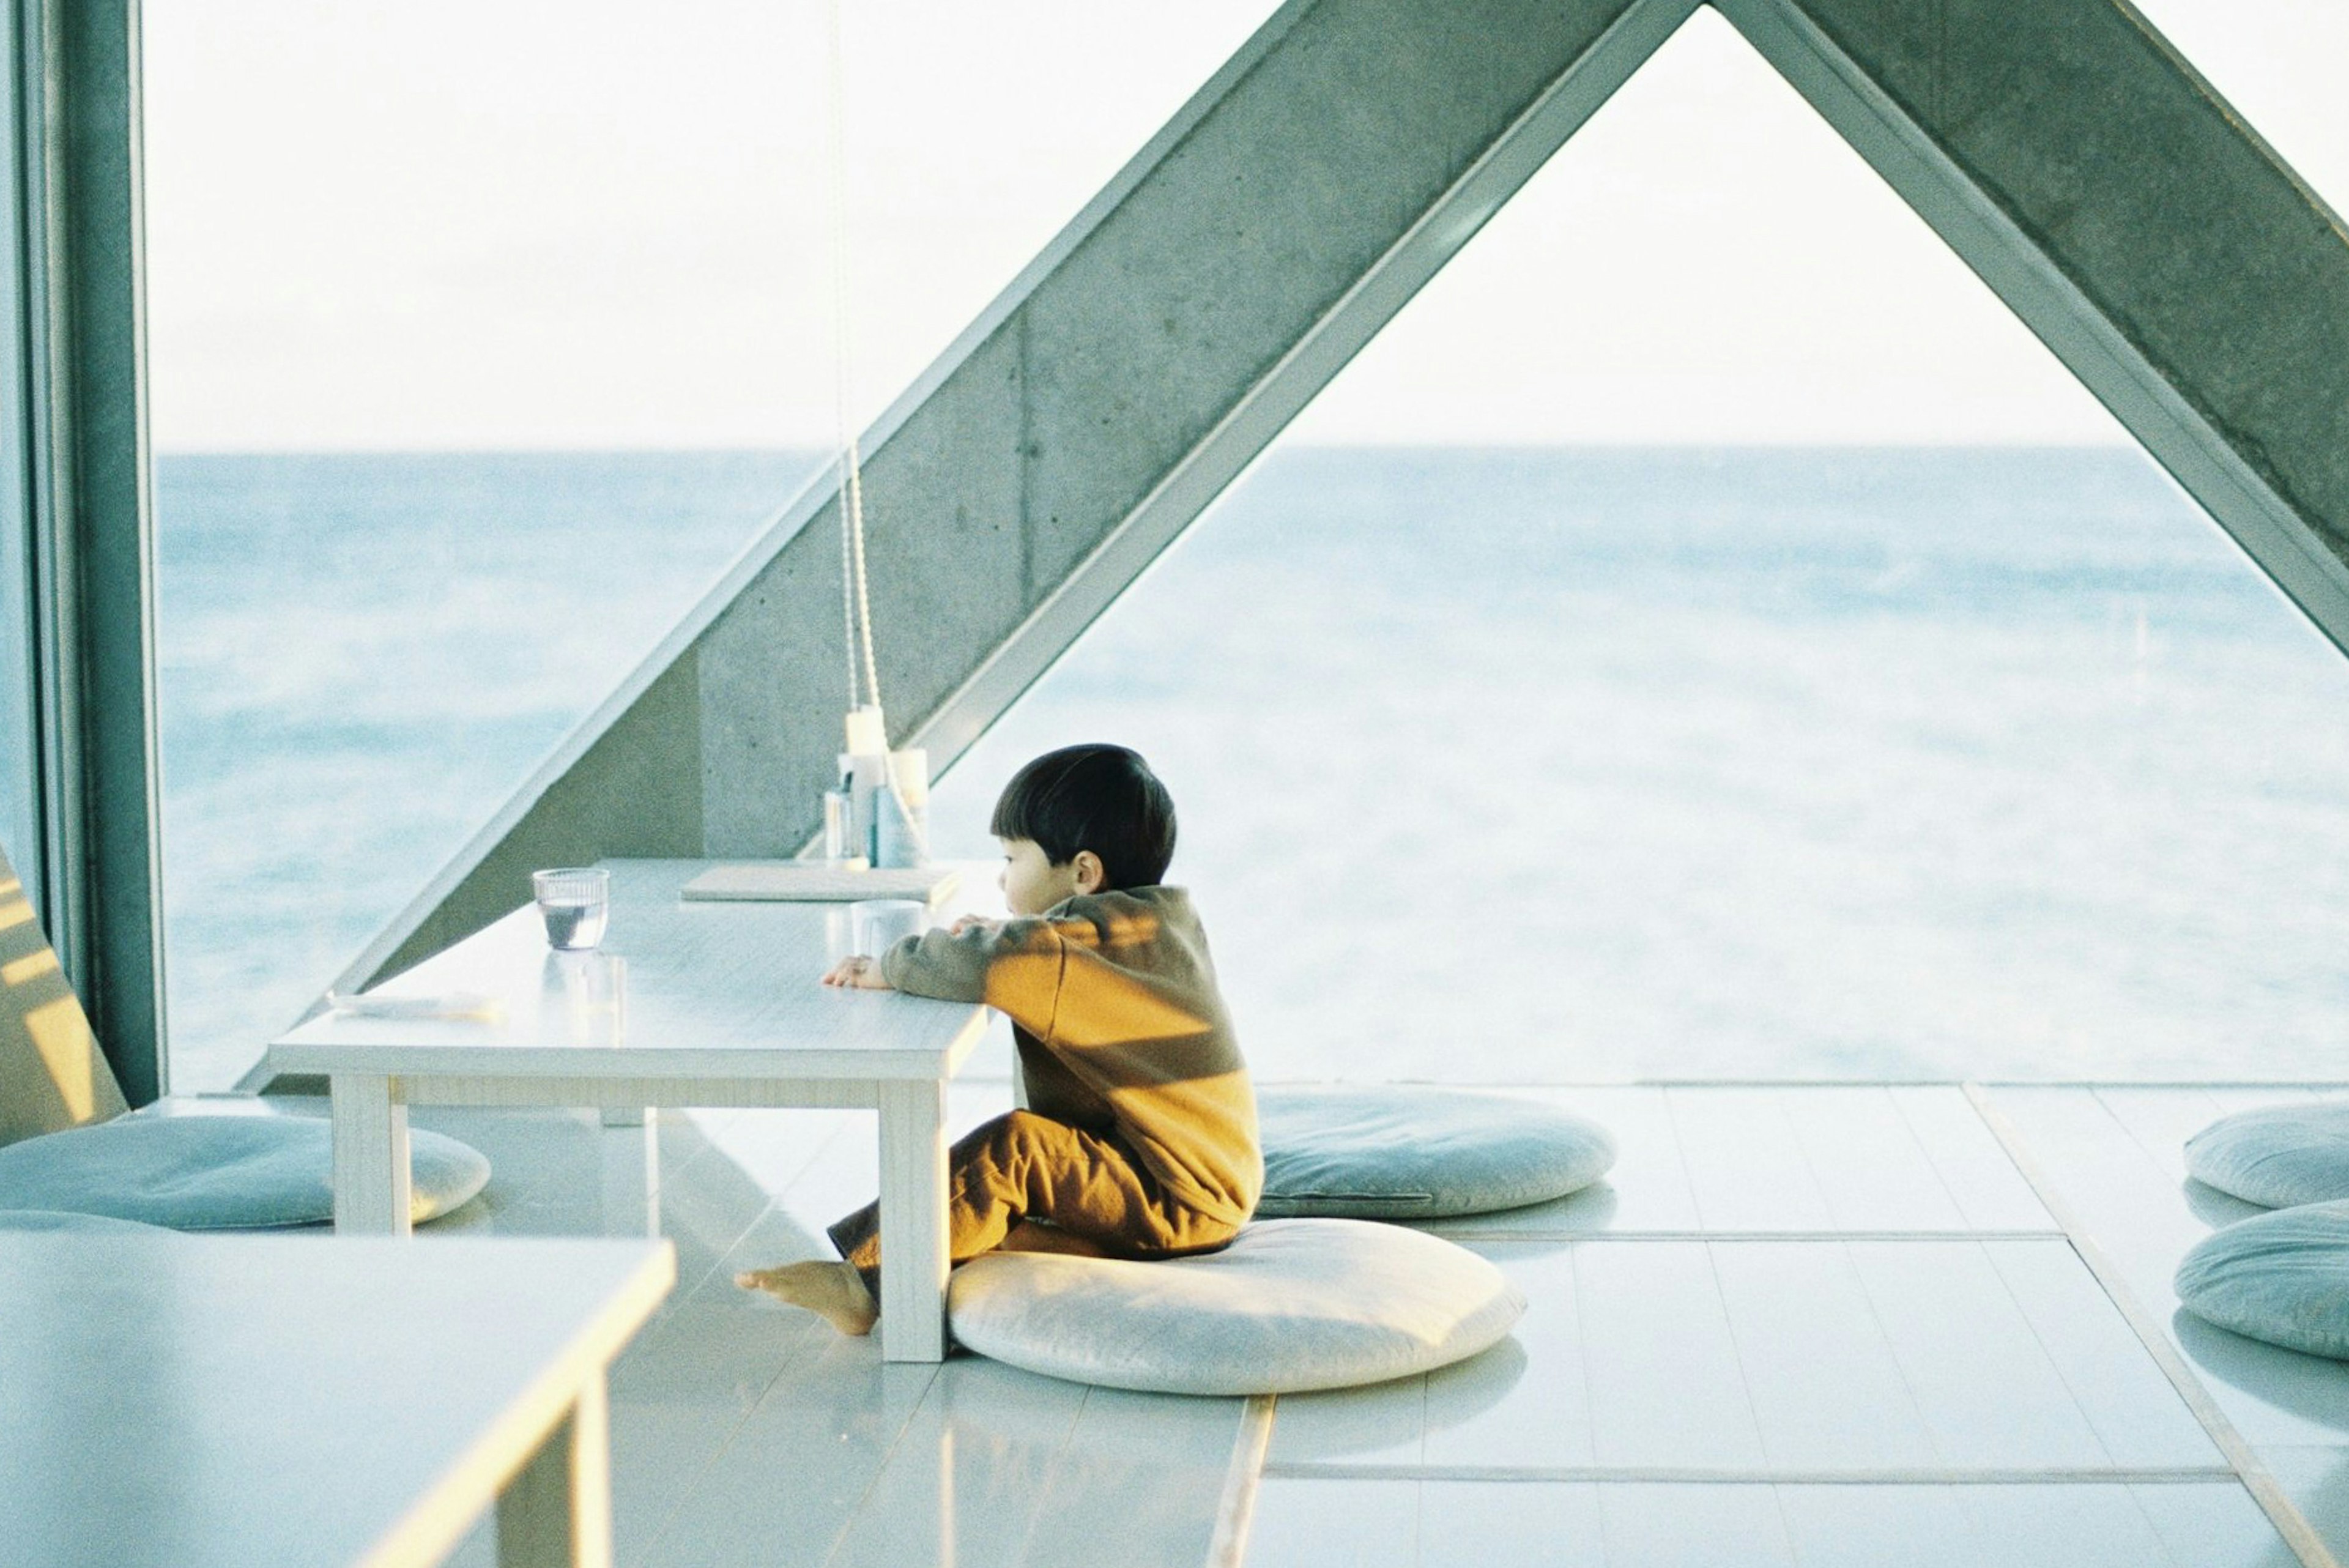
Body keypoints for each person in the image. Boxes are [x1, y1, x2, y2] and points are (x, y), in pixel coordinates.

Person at [737, 743, 1261, 1336]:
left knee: (1016, 1148)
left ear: (1084, 872)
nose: (1001, 874)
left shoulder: (1069, 948)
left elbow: (992, 966)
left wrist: (889, 966)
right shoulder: (1153, 925)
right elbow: (1045, 950)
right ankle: (1042, 1253)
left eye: (1013, 858)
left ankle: (861, 1283)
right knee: (978, 1225)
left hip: (1173, 1198)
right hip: (1204, 1184)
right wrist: (1019, 931)